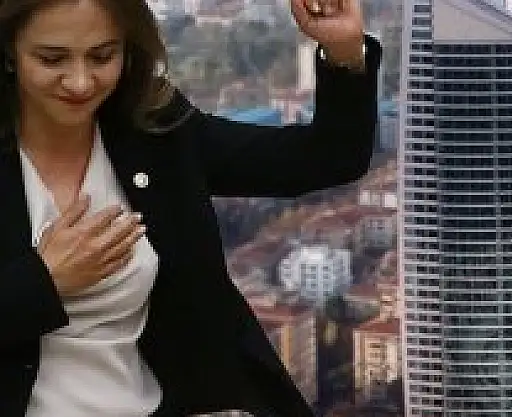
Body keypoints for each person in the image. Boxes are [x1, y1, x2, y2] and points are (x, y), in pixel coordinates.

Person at [0, 0, 380, 415]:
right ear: (8, 51)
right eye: (52, 59)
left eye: (102, 56)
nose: (80, 82)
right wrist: (43, 283)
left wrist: (344, 52)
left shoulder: (154, 134)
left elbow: (327, 158)